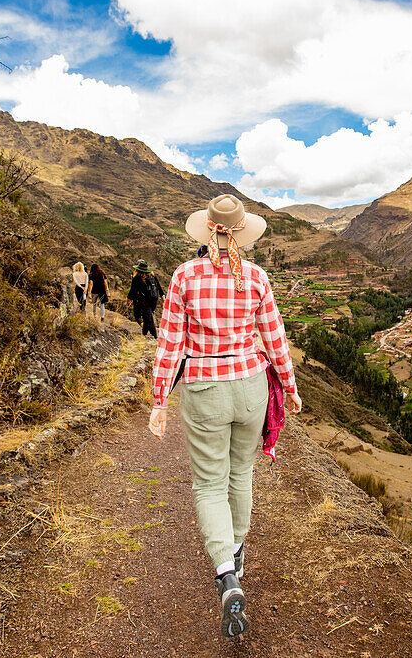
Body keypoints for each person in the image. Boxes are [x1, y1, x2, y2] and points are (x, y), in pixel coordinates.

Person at [147, 194, 303, 639]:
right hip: (251, 386)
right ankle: (235, 553)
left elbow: (170, 343)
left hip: (204, 388)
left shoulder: (184, 277)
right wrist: (289, 389)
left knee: (209, 483)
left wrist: (160, 401)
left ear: (207, 230)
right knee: (240, 475)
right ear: (240, 233)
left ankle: (225, 575)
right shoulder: (256, 278)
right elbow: (275, 340)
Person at [127, 259, 163, 337]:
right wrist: (163, 297)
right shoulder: (152, 277)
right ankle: (145, 334)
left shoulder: (137, 278)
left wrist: (128, 300)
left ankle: (155, 337)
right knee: (147, 318)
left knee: (148, 319)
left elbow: (132, 291)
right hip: (154, 301)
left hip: (143, 302)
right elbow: (159, 287)